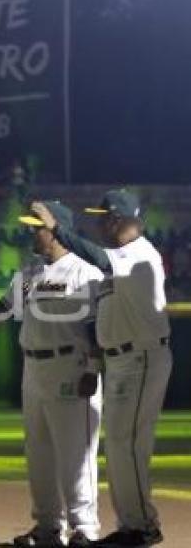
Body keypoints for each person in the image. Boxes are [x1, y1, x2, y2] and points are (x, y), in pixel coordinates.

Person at [32, 190, 171, 548]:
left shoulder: (139, 253)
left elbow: (97, 257)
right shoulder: (119, 258)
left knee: (129, 446)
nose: (99, 223)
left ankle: (141, 527)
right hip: (122, 360)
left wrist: (58, 230)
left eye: (104, 217)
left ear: (121, 219)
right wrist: (96, 363)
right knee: (121, 446)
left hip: (141, 357)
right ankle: (131, 525)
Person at [0, 201, 104, 547]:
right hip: (33, 370)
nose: (29, 232)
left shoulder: (85, 271)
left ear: (55, 230)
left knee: (75, 454)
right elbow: (1, 311)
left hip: (71, 366)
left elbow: (96, 326)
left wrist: (93, 369)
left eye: (35, 226)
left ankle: (84, 528)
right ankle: (48, 527)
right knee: (39, 454)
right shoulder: (29, 272)